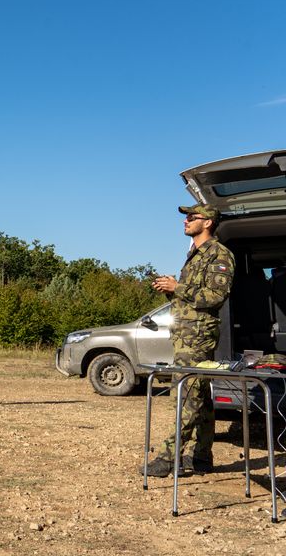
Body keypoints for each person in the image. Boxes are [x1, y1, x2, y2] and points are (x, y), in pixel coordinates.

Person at [142, 203, 235, 477]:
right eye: (186, 217)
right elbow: (192, 298)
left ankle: (167, 458)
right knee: (201, 395)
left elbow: (216, 297)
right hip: (185, 335)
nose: (186, 220)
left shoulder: (219, 254)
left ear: (207, 222)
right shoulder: (193, 254)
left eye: (192, 217)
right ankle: (202, 456)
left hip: (198, 337)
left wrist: (178, 287)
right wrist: (170, 289)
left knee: (185, 393)